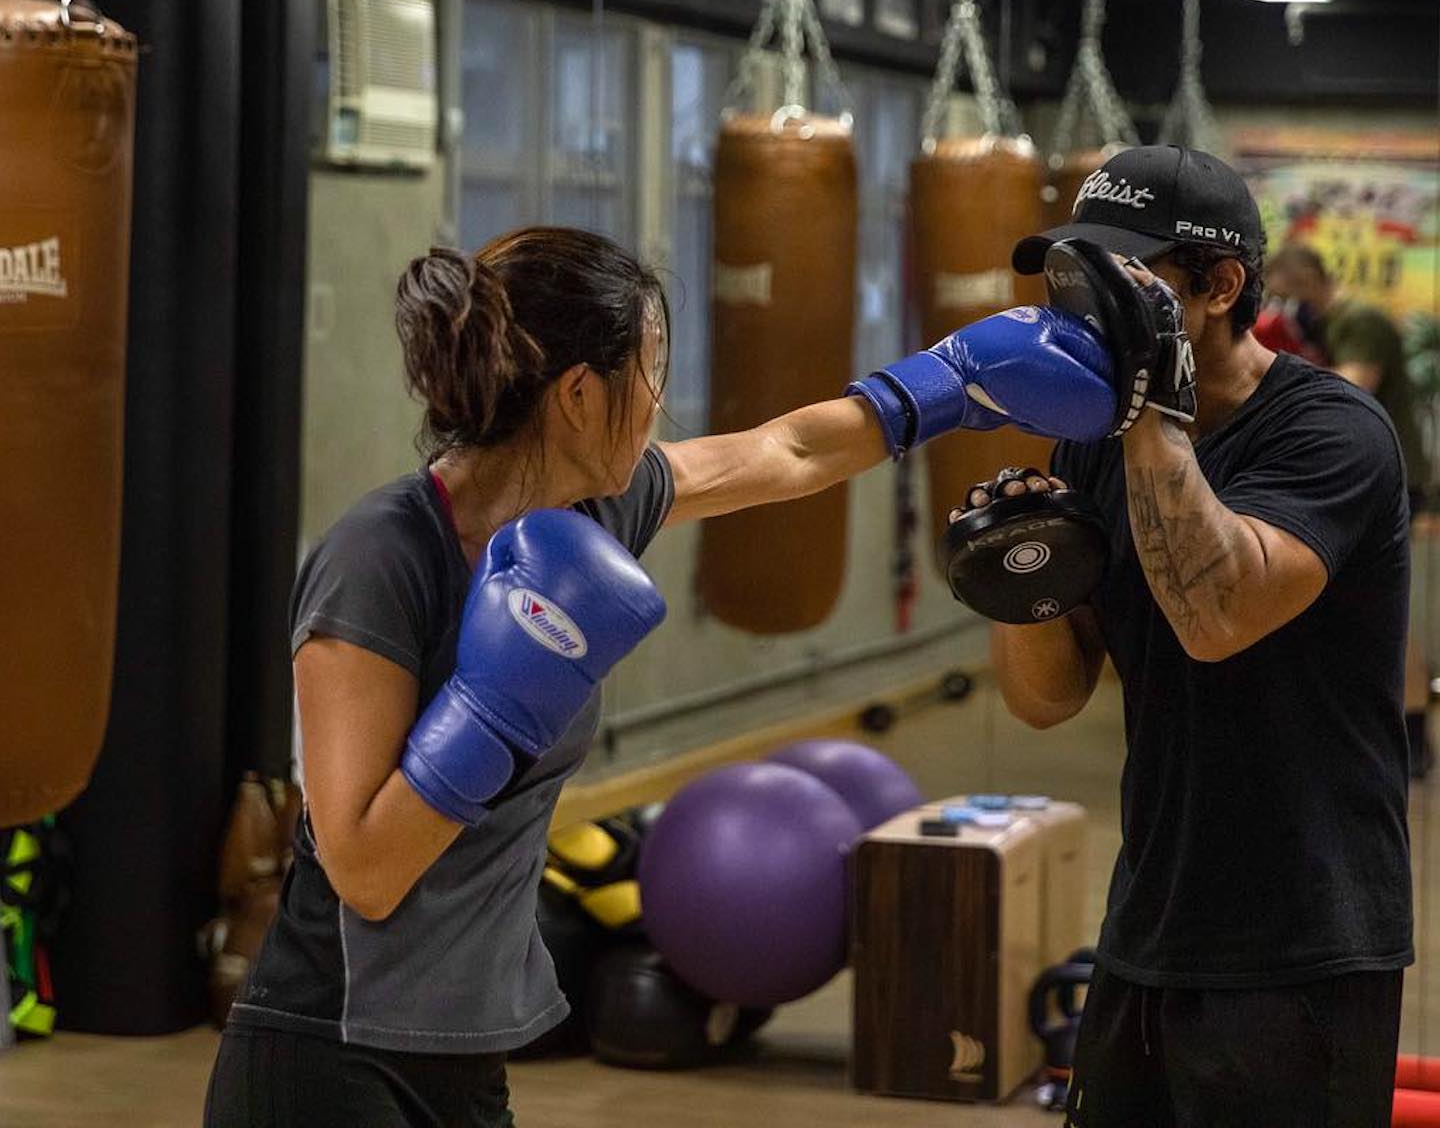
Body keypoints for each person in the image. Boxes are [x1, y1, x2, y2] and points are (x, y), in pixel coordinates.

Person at [203, 224, 1120, 1128]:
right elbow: (363, 868)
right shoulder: (382, 555)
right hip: (326, 1048)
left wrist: (949, 383)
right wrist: (492, 708)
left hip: (461, 1050)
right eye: (649, 371)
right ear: (577, 395)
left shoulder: (599, 508)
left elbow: (784, 452)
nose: (659, 400)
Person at [972, 146, 1412, 1126]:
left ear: (1217, 287)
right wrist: (1020, 580)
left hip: (1303, 941)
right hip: (1149, 924)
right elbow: (1048, 700)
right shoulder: (1095, 440)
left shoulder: (1332, 435)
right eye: (1070, 275)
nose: (1078, 306)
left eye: (1117, 280)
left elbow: (1214, 621)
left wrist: (1150, 413)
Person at [1264, 240, 1434, 776]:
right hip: (1360, 469)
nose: (1285, 302)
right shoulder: (1324, 324)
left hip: (1389, 472)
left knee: (1388, 608)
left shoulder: (1360, 321)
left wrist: (1272, 375)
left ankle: (1413, 737)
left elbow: (1356, 383)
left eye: (1288, 290)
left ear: (1309, 277)